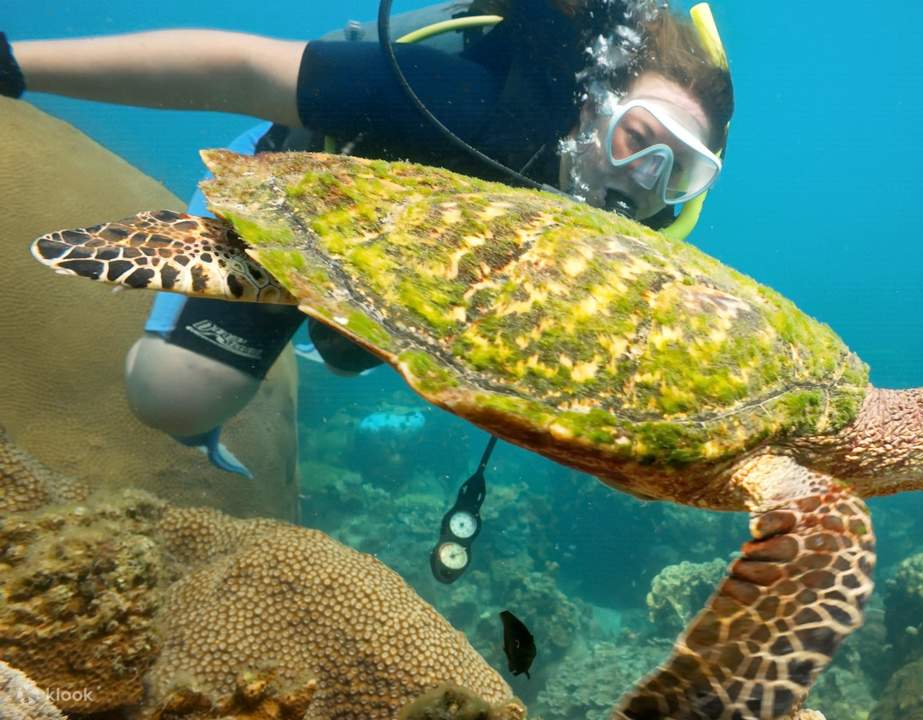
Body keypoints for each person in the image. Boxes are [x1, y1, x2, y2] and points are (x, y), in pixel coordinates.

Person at [0, 0, 734, 476]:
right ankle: (214, 224)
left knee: (349, 358)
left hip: (410, 270)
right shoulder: (462, 103)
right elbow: (240, 66)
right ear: (592, 109)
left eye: (679, 173)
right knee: (175, 399)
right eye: (640, 138)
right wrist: (19, 66)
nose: (644, 176)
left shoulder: (635, 240)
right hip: (305, 197)